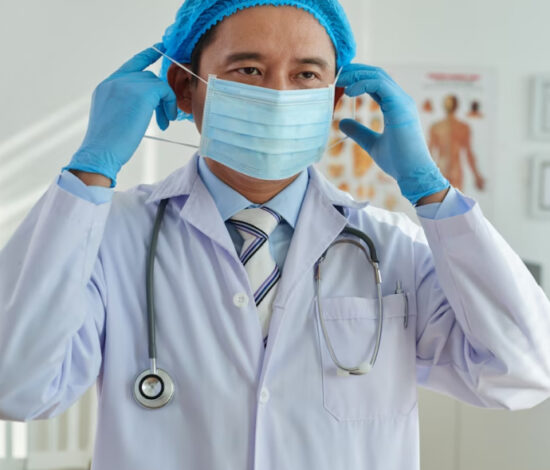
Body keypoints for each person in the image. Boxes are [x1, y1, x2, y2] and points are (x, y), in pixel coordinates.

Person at [0, 1, 549, 469]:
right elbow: (16, 385)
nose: (280, 94)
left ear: (334, 99)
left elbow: (523, 370)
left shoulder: (391, 247)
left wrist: (432, 192)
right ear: (185, 88)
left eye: (307, 75)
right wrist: (89, 170)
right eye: (248, 69)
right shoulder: (111, 235)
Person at [429, 94, 486, 191]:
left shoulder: (436, 127)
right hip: (456, 170)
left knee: (442, 199)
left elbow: (429, 153)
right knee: (455, 199)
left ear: (443, 106)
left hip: (441, 168)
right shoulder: (463, 127)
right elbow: (469, 154)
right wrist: (476, 175)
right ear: (457, 107)